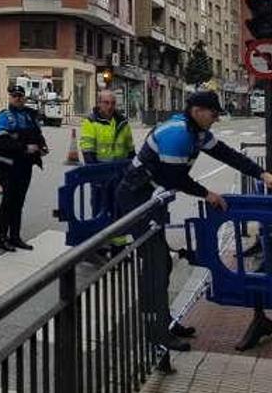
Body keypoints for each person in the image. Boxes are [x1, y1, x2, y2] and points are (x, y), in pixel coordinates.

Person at [115, 91, 272, 352]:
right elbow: (175, 178)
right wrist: (208, 194)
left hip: (151, 198)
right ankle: (156, 332)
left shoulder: (196, 132)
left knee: (161, 262)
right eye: (213, 113)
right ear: (198, 110)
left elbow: (225, 154)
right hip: (137, 199)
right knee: (157, 263)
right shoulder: (178, 134)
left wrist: (261, 173)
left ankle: (164, 321)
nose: (216, 118)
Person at [0, 85, 48, 252]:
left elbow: (38, 135)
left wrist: (42, 147)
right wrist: (25, 148)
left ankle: (15, 237)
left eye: (20, 96)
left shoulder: (29, 116)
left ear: (24, 98)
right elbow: (1, 140)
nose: (18, 98)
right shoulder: (5, 116)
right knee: (8, 201)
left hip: (24, 166)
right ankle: (2, 238)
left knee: (18, 202)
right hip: (7, 166)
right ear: (10, 97)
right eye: (15, 96)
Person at [80, 90, 135, 255]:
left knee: (120, 209)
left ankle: (118, 247)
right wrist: (96, 174)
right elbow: (88, 151)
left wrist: (133, 171)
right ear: (99, 103)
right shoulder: (91, 122)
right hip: (101, 174)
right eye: (106, 103)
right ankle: (100, 246)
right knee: (99, 209)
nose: (110, 106)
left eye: (112, 103)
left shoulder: (122, 122)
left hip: (120, 174)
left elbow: (130, 150)